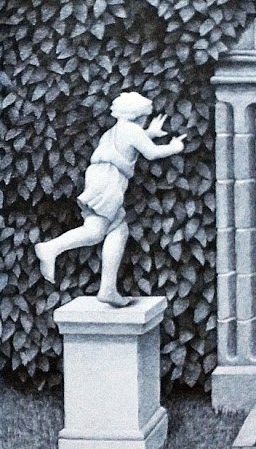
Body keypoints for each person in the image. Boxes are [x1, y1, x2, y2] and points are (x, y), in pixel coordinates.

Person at [35, 92, 186, 307]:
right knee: (96, 231)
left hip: (100, 176)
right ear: (137, 115)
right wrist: (173, 148)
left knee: (118, 229)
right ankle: (51, 248)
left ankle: (107, 288)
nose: (145, 120)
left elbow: (130, 145)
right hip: (109, 181)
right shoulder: (132, 130)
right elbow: (151, 153)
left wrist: (150, 133)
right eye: (145, 116)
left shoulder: (115, 131)